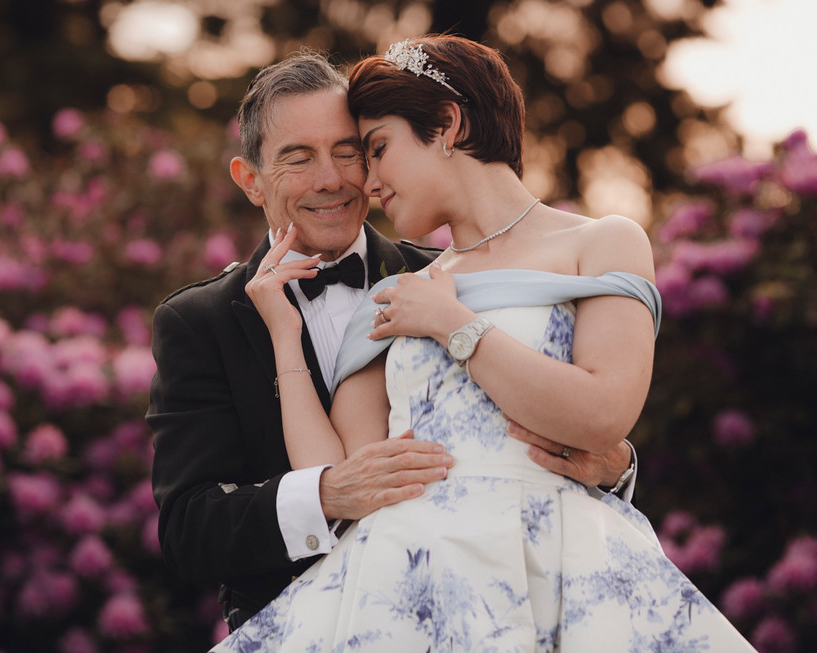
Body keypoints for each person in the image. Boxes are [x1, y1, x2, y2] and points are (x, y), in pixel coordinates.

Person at [210, 36, 756, 650]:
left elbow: (604, 414)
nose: (367, 179)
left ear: (447, 125)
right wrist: (285, 334)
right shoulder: (400, 292)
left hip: (559, 561)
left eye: (377, 148)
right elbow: (338, 480)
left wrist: (453, 324)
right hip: (406, 582)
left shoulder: (603, 241)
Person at [147, 50, 638, 634]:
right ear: (250, 180)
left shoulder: (435, 279)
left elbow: (580, 403)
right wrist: (327, 494)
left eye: (352, 152)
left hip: (541, 580)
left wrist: (611, 465)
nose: (333, 179)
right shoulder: (198, 320)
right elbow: (190, 531)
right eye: (297, 159)